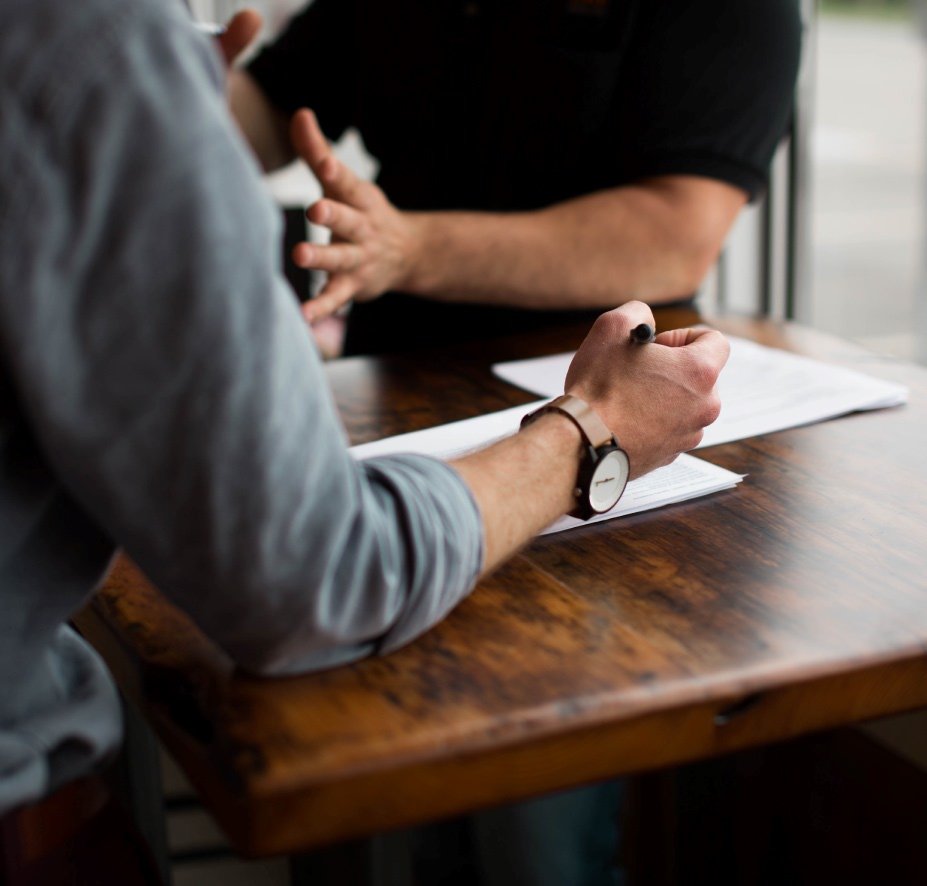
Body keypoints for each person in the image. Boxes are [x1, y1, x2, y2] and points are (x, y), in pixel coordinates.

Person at [0, 0, 729, 881]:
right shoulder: (87, 41)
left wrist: (165, 107)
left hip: (580, 507)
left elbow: (676, 233)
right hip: (419, 447)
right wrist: (592, 431)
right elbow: (312, 575)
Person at [230, 0, 802, 355]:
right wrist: (169, 94)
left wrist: (407, 249)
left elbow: (674, 237)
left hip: (597, 387)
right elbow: (274, 106)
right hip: (394, 368)